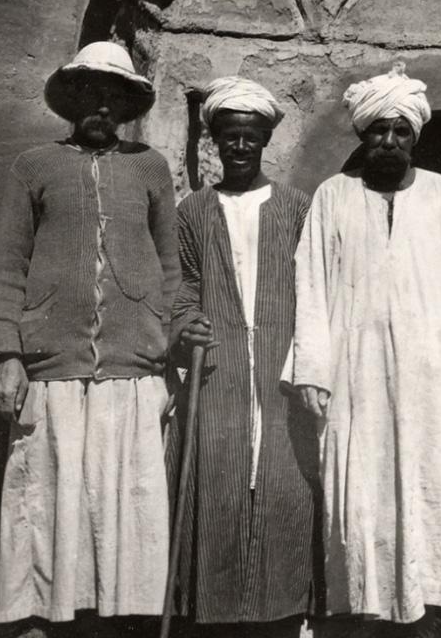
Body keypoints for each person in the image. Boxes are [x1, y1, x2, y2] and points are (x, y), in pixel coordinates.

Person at [291, 63, 441, 636]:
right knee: (359, 487)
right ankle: (364, 608)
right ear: (363, 135)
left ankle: (424, 611)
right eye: (377, 131)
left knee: (427, 483)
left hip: (426, 371)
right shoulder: (332, 197)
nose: (388, 141)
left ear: (416, 136)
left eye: (400, 132)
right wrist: (313, 367)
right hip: (352, 371)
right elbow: (310, 284)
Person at [0, 41, 179, 635]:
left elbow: (171, 265)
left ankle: (125, 618)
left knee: (128, 501)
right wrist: (7, 353)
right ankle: (54, 618)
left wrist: (168, 344)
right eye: (89, 93)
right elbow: (8, 262)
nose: (101, 106)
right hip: (54, 365)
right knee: (49, 500)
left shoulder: (150, 167)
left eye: (112, 95)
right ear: (72, 101)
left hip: (133, 367)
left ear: (126, 105)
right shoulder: (34, 165)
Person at [168, 77, 320, 636]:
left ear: (264, 141)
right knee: (220, 479)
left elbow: (316, 287)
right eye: (228, 137)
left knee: (283, 483)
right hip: (219, 366)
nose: (239, 147)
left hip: (281, 364)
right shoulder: (193, 211)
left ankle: (280, 611)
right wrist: (187, 323)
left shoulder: (296, 208)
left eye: (249, 137)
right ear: (213, 141)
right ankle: (217, 612)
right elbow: (182, 285)